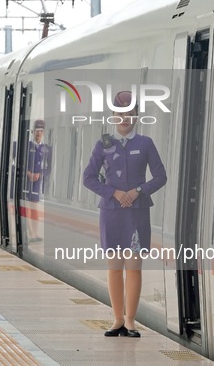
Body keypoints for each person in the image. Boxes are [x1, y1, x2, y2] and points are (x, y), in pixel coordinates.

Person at [83, 91, 167, 338]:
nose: (124, 118)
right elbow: (88, 178)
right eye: (120, 114)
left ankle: (130, 321)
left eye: (129, 114)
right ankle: (117, 319)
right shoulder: (103, 145)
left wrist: (138, 190)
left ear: (136, 116)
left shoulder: (145, 144)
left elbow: (161, 176)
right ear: (113, 116)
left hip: (137, 213)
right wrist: (113, 193)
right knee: (114, 268)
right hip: (111, 213)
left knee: (134, 267)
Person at [23, 119, 52, 242]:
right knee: (26, 207)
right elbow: (20, 162)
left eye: (41, 131)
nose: (38, 133)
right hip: (25, 182)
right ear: (33, 132)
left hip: (37, 183)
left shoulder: (47, 149)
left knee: (34, 209)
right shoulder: (26, 146)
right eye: (36, 131)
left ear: (44, 132)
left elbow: (49, 168)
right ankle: (30, 234)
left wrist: (40, 174)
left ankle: (34, 234)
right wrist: (27, 173)